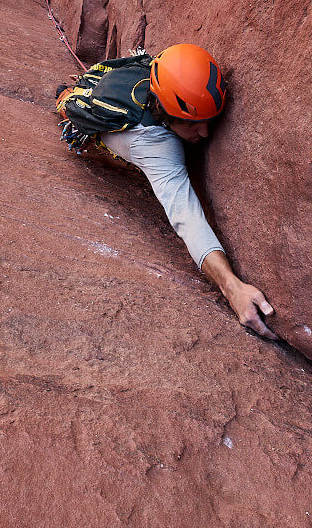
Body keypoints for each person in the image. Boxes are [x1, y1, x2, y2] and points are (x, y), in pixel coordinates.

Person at [56, 44, 278, 340]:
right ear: (165, 112)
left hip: (111, 87)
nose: (205, 133)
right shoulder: (155, 145)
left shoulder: (165, 72)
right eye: (192, 124)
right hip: (109, 119)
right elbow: (186, 217)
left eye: (209, 121)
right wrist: (232, 287)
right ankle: (65, 101)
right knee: (70, 107)